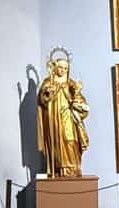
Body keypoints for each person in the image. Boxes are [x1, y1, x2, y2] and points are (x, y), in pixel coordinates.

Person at [37, 48, 89, 177]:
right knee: (57, 142)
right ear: (55, 68)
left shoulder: (70, 84)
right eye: (60, 68)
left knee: (71, 140)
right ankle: (59, 169)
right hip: (53, 118)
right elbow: (42, 101)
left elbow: (80, 100)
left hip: (68, 117)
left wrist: (77, 97)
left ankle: (73, 167)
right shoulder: (48, 83)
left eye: (65, 68)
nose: (63, 71)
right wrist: (49, 92)